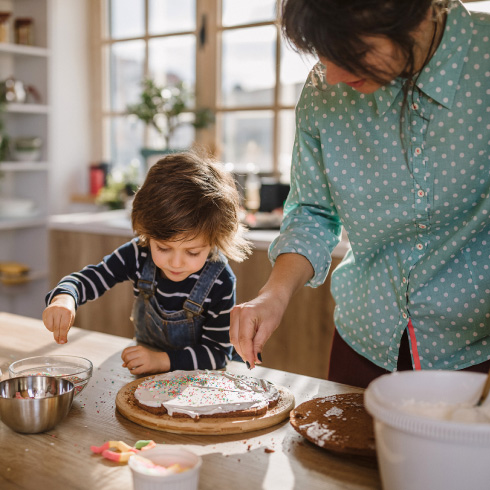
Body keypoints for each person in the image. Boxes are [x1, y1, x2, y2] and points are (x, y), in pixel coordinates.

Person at [230, 0, 490, 388]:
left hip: (476, 349)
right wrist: (273, 295)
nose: (331, 75)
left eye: (351, 52)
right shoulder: (324, 89)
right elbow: (312, 212)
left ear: (412, 16)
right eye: (323, 53)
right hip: (366, 342)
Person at [43, 151, 251, 375]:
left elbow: (217, 354)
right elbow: (92, 277)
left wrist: (161, 360)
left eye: (192, 252)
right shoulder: (138, 254)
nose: (176, 262)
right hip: (148, 374)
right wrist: (64, 297)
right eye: (163, 248)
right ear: (147, 233)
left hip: (199, 383)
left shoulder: (220, 280)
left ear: (213, 241)